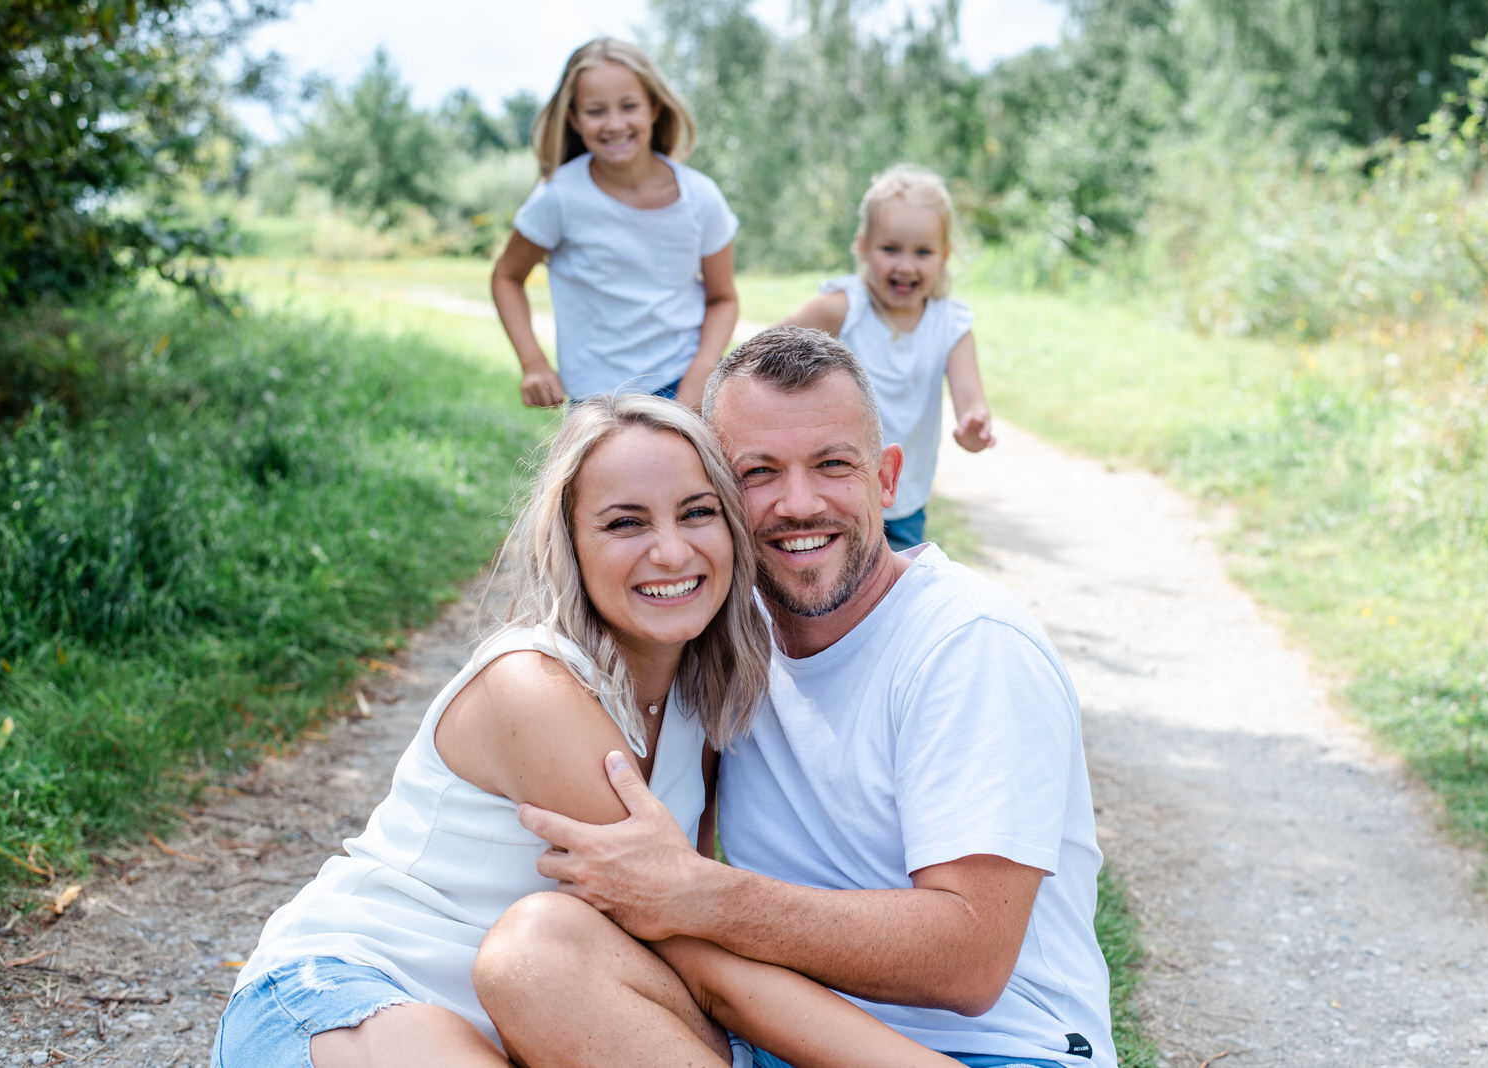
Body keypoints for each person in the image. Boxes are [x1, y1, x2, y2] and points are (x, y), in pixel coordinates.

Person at [212, 394, 968, 1068]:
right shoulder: (532, 687)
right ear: (572, 544)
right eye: (625, 523)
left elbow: (682, 936)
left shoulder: (700, 705)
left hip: (522, 1020)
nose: (670, 551)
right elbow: (704, 962)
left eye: (698, 512)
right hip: (349, 995)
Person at [511, 327, 1114, 1068]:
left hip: (990, 1051)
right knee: (539, 953)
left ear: (886, 480)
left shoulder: (969, 644)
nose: (799, 504)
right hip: (785, 1032)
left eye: (832, 465)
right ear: (720, 499)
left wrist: (701, 894)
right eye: (758, 473)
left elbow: (970, 960)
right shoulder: (729, 636)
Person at [491, 36, 739, 411]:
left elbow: (722, 298)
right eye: (595, 111)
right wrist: (533, 363)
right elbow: (507, 276)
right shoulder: (559, 196)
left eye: (628, 106)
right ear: (573, 119)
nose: (614, 124)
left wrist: (701, 373)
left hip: (683, 383)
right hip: (597, 400)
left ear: (654, 108)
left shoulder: (701, 197)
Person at [780, 163, 995, 552]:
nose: (905, 265)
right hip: (831, 495)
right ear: (863, 246)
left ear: (944, 255)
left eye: (923, 252)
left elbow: (971, 399)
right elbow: (758, 361)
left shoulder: (950, 324)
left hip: (904, 502)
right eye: (890, 248)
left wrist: (975, 428)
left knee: (896, 601)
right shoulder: (840, 309)